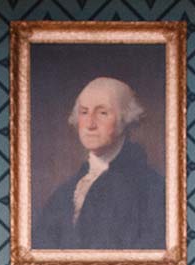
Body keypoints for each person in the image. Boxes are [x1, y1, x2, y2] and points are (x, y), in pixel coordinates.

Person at [34, 77, 164, 250]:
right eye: (84, 112)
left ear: (125, 118)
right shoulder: (65, 192)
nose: (90, 124)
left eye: (102, 113)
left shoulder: (152, 189)